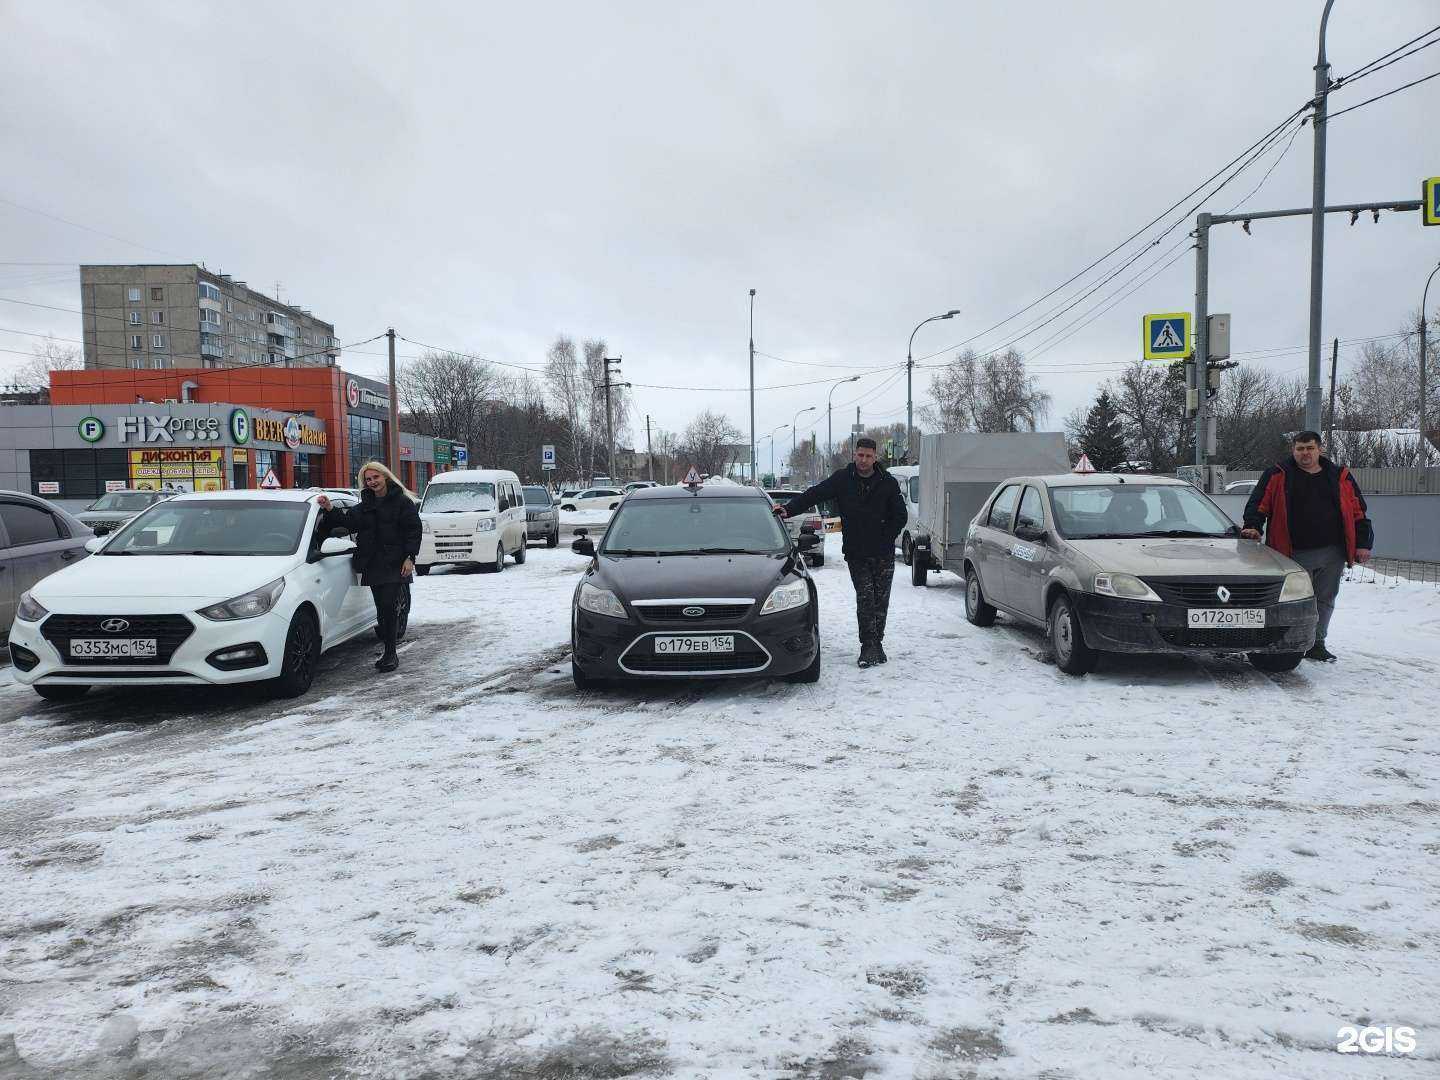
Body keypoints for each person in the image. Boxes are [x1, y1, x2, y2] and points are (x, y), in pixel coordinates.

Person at [1241, 430, 1373, 663]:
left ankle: (1317, 643)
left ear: (1319, 449)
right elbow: (1259, 504)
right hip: (1290, 553)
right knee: (1292, 600)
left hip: (1332, 552)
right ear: (1293, 450)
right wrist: (1253, 526)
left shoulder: (1339, 476)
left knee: (1325, 599)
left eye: (1310, 448)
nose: (1305, 453)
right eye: (1300, 449)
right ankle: (1287, 641)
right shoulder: (1277, 475)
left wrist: (1363, 544)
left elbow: (1358, 511)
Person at [775, 437, 906, 668]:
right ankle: (867, 646)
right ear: (854, 455)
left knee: (880, 601)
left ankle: (878, 643)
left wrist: (885, 536)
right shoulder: (843, 479)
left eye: (868, 456)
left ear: (875, 457)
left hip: (883, 553)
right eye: (860, 455)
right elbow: (814, 494)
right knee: (866, 598)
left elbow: (900, 516)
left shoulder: (887, 482)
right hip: (857, 552)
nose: (864, 460)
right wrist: (788, 509)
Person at [315, 461, 422, 673]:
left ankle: (391, 654)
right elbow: (348, 522)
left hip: (396, 563)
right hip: (372, 562)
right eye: (368, 479)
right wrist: (328, 508)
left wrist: (410, 558)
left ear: (385, 477)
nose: (372, 482)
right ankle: (388, 651)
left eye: (376, 477)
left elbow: (413, 530)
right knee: (381, 608)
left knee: (388, 605)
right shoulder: (365, 505)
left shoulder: (402, 502)